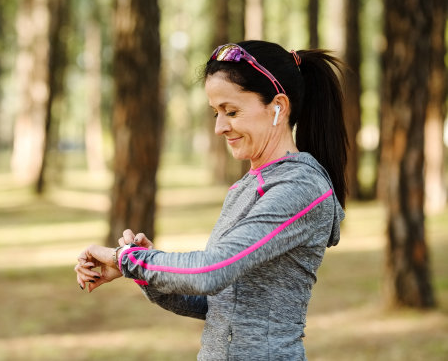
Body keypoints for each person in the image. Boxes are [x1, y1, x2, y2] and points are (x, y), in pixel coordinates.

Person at [74, 40, 348, 360]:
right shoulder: (246, 188)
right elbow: (214, 302)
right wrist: (140, 269)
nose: (219, 127)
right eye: (216, 112)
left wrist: (123, 257)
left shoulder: (301, 189)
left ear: (278, 107)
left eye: (231, 111)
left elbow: (210, 271)